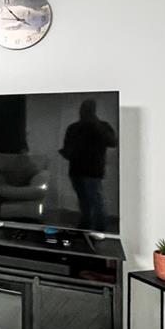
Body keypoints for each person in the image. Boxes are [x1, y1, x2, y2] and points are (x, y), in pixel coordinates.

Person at [59, 99, 117, 231]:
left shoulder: (99, 126)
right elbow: (68, 148)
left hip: (90, 171)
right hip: (80, 170)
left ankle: (99, 230)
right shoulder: (75, 128)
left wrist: (95, 124)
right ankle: (87, 228)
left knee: (95, 202)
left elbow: (112, 142)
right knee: (86, 202)